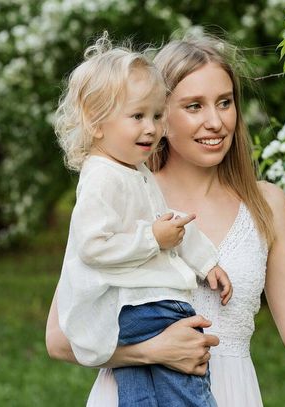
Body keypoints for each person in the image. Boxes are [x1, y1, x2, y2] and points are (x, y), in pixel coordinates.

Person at [46, 33, 285, 407]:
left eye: (225, 102)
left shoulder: (266, 203)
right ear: (160, 113)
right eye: (193, 106)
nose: (216, 122)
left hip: (234, 391)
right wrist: (150, 352)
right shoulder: (124, 190)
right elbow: (60, 339)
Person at [52, 33, 232, 407]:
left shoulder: (132, 171)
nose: (151, 128)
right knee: (187, 377)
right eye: (137, 116)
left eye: (155, 115)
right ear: (96, 122)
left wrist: (205, 260)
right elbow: (93, 246)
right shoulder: (102, 177)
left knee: (138, 391)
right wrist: (152, 238)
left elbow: (172, 222)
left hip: (131, 310)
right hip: (140, 307)